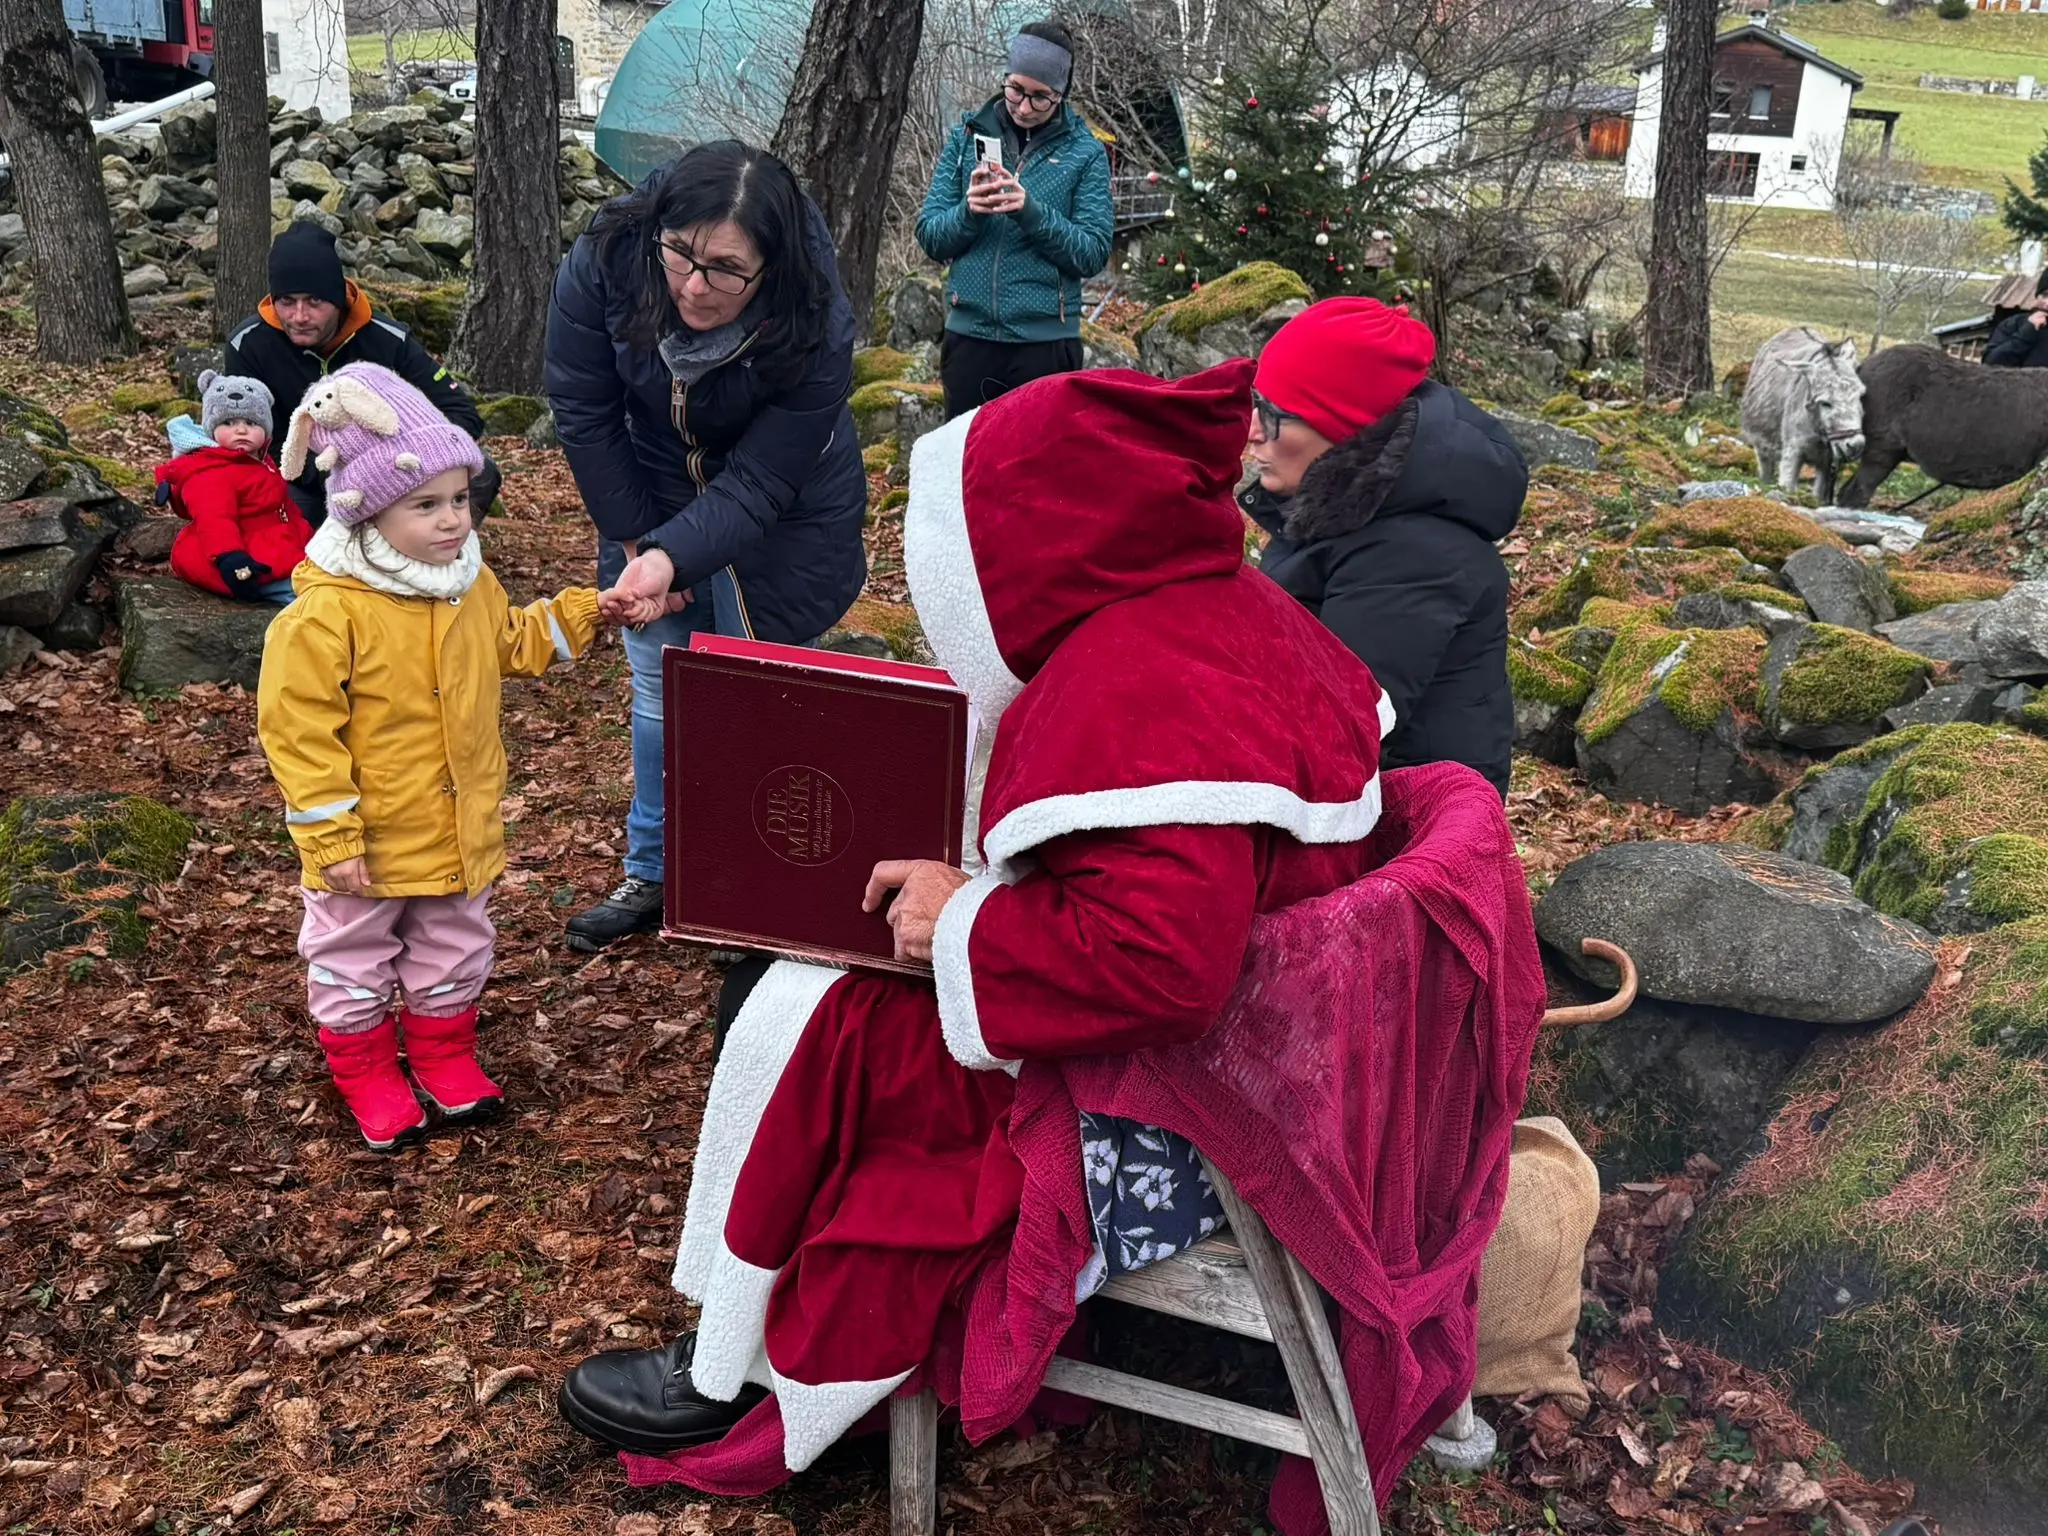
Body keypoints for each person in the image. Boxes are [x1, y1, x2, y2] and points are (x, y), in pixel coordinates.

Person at [555, 364, 1544, 1528]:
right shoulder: (1217, 615)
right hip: (1296, 1061)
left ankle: (763, 1368)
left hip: (1198, 1109)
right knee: (825, 1002)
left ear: (1036, 535)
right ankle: (745, 1330)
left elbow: (1159, 966)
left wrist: (960, 921)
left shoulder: (1138, 691)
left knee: (830, 1024)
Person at [255, 363, 605, 1152]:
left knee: (454, 943)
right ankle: (367, 1071)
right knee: (352, 955)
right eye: (426, 505)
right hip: (369, 839)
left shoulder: (466, 585)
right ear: (368, 512)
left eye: (459, 499)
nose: (453, 521)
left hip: (457, 826)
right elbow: (299, 733)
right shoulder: (326, 615)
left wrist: (588, 612)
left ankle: (444, 1054)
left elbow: (511, 641)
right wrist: (331, 836)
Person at [545, 140, 868, 952]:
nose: (693, 285)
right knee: (659, 683)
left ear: (770, 268)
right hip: (650, 482)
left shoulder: (816, 316)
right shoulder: (608, 256)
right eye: (682, 254)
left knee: (764, 689)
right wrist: (641, 544)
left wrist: (675, 556)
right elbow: (584, 409)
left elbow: (762, 481)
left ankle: (750, 881)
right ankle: (654, 870)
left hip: (789, 505)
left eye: (726, 269)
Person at [1240, 297, 1527, 796]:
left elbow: (1331, 735)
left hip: (1410, 823)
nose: (1253, 430)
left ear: (1343, 426)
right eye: (1255, 402)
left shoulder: (1414, 551)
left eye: (1275, 413)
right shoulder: (1347, 510)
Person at [225, 221, 502, 528]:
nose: (299, 316)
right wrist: (333, 474)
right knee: (282, 505)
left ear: (338, 298)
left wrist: (392, 462)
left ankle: (441, 547)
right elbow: (253, 438)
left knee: (483, 471)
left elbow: (462, 414)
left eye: (315, 301)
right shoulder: (248, 344)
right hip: (306, 480)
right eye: (287, 302)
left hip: (401, 469)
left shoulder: (388, 339)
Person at [915, 20, 1114, 420]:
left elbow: (1092, 253)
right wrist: (969, 212)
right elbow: (931, 236)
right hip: (969, 341)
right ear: (1005, 77)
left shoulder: (1085, 153)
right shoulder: (965, 138)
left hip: (1045, 346)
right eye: (1016, 90)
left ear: (1061, 95)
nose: (1024, 107)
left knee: (1039, 459)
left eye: (1040, 98)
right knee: (965, 455)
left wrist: (1030, 212)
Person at [155, 371, 311, 605]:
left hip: (274, 542)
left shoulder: (261, 461)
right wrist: (230, 558)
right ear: (211, 429)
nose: (241, 430)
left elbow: (284, 507)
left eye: (251, 423)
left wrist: (312, 541)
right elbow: (214, 519)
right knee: (304, 595)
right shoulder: (210, 471)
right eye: (229, 423)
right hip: (240, 556)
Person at [1985, 271, 2048, 369]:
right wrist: (2027, 332)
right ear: (2037, 297)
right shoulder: (2014, 324)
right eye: (2045, 295)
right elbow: (1990, 364)